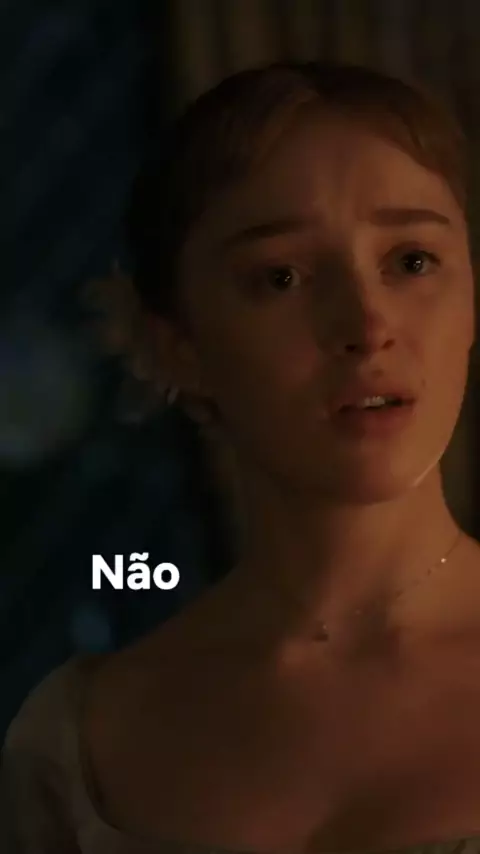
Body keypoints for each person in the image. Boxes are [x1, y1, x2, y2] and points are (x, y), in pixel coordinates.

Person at [2, 60, 480, 854]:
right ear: (177, 345)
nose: (367, 325)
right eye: (281, 276)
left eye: (411, 261)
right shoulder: (85, 741)